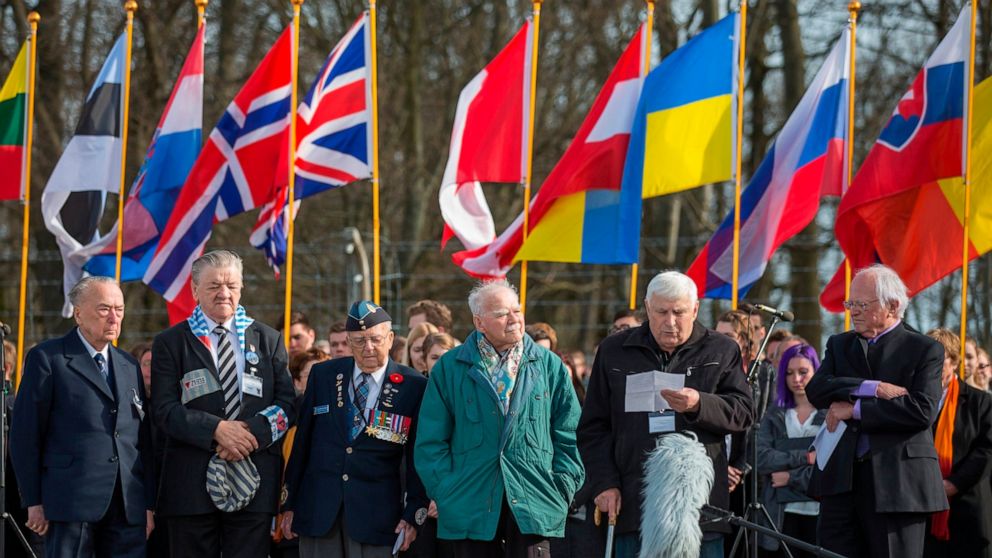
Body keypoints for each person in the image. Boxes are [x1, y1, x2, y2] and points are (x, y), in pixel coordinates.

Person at [578, 270, 754, 558]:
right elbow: (593, 427)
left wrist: (699, 404)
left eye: (679, 312)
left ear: (695, 309)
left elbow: (744, 413)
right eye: (661, 312)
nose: (670, 322)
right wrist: (604, 483)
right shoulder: (614, 350)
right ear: (647, 308)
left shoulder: (721, 349)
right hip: (632, 503)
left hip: (700, 508)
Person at [415, 279, 584, 557]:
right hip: (469, 505)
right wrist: (447, 492)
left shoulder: (549, 365)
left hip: (535, 503)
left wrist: (562, 488)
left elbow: (570, 433)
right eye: (502, 314)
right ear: (479, 323)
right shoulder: (450, 367)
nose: (514, 319)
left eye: (517, 310)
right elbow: (431, 441)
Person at [151, 250, 297, 558]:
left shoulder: (268, 339)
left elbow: (286, 404)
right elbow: (164, 411)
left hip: (255, 481)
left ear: (241, 287)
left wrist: (247, 434)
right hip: (191, 487)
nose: (224, 293)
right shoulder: (172, 342)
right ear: (194, 290)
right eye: (214, 285)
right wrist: (216, 430)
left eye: (231, 285)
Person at [805, 264, 947, 558]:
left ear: (892, 306)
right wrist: (871, 387)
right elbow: (817, 390)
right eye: (850, 303)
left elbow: (921, 411)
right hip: (841, 482)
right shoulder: (840, 344)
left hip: (897, 484)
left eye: (861, 304)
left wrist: (855, 409)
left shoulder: (924, 349)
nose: (852, 311)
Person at [10, 276, 153, 558]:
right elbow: (25, 435)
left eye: (119, 309)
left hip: (127, 506)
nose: (114, 317)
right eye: (104, 309)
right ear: (78, 313)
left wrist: (147, 503)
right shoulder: (49, 359)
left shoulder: (128, 365)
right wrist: (34, 500)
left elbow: (142, 439)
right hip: (70, 505)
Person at [281, 301, 428, 557]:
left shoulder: (413, 385)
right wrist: (289, 501)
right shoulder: (323, 375)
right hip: (320, 512)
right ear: (348, 341)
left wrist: (414, 513)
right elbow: (303, 444)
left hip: (378, 516)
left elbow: (418, 457)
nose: (368, 348)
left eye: (375, 339)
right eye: (359, 341)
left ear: (391, 338)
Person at [922, 328, 992, 558]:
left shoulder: (979, 402)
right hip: (923, 510)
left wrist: (953, 483)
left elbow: (986, 450)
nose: (929, 365)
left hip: (966, 509)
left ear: (953, 361)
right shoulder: (916, 400)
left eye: (937, 360)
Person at [756, 343, 825, 557]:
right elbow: (761, 458)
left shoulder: (829, 415)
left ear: (816, 371)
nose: (796, 379)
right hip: (780, 516)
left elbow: (829, 466)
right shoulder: (775, 414)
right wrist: (804, 456)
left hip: (820, 516)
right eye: (789, 373)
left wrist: (789, 477)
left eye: (803, 372)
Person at [272, 348, 330, 558]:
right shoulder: (286, 421)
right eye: (311, 375)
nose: (321, 380)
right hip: (290, 515)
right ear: (296, 382)